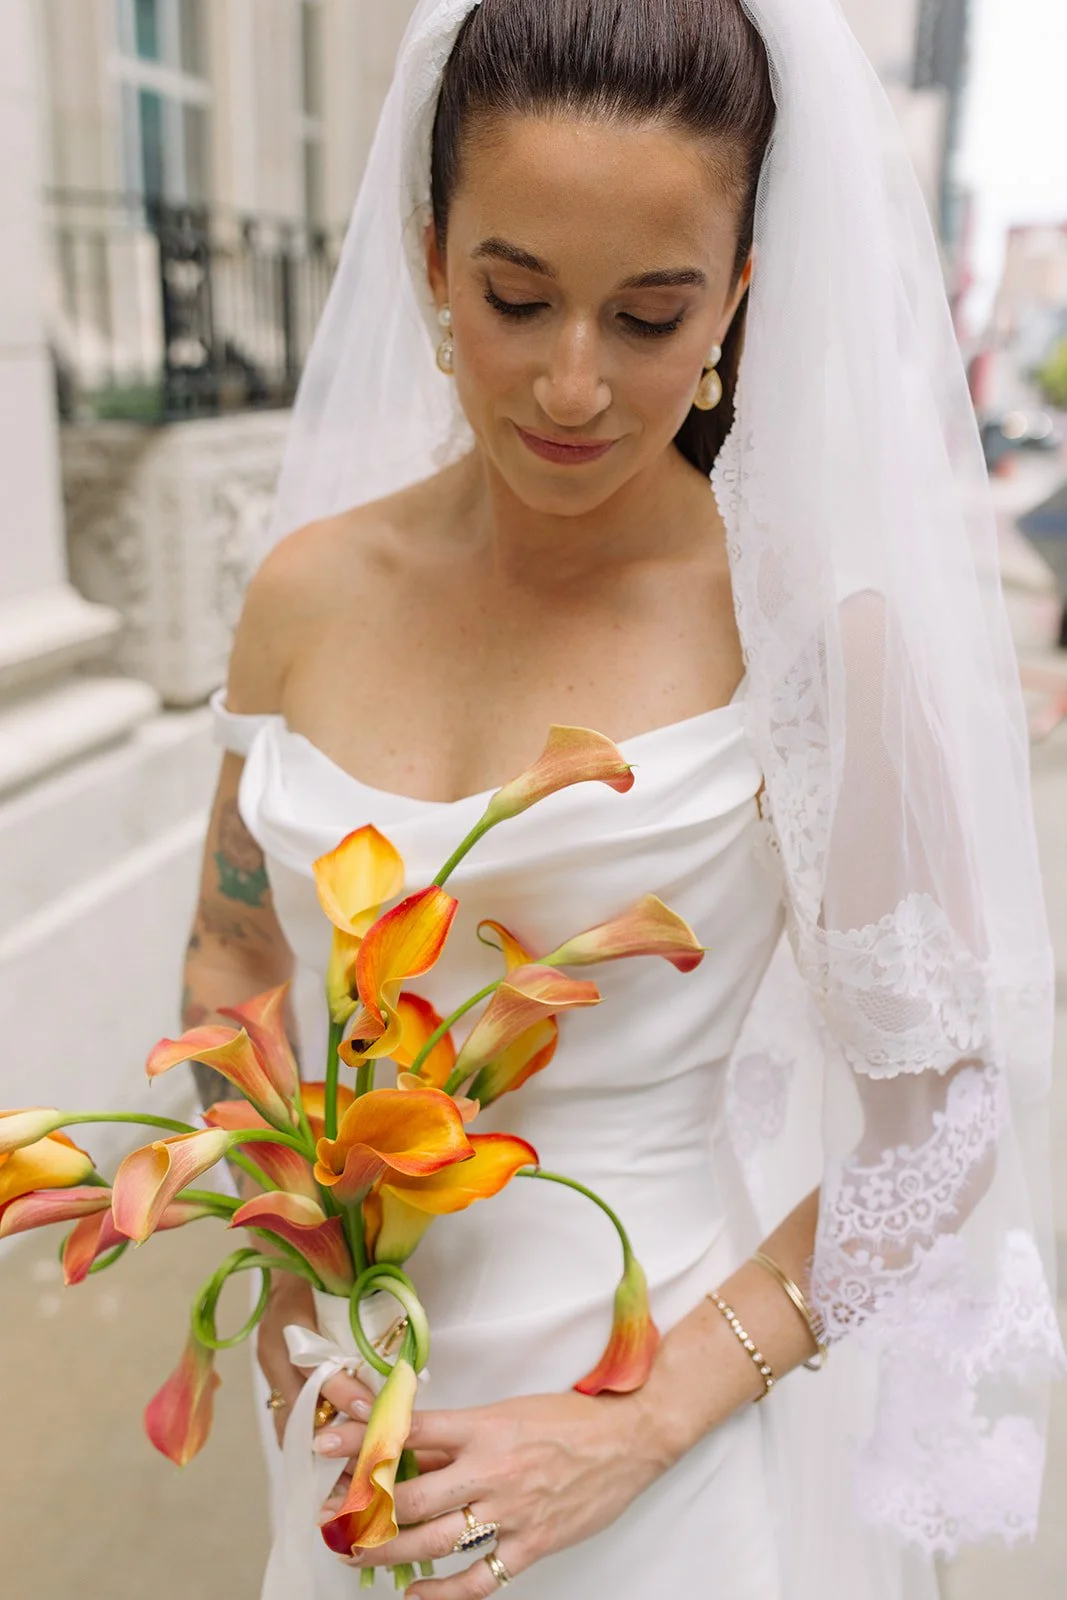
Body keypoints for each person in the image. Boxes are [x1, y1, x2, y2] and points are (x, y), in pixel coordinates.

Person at [184, 2, 1062, 1596]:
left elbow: (942, 1118)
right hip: (344, 1444)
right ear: (431, 252)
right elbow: (234, 959)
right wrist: (286, 1281)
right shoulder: (303, 591)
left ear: (734, 297)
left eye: (648, 318)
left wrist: (642, 1428)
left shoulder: (806, 639)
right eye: (516, 298)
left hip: (642, 1454)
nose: (571, 387)